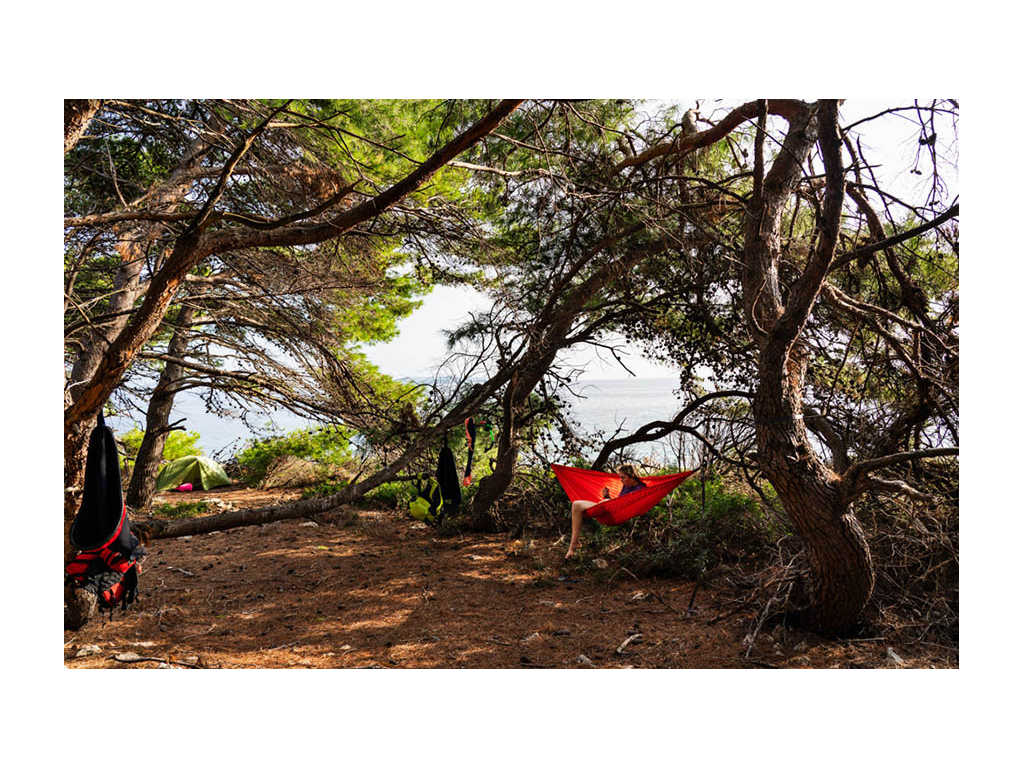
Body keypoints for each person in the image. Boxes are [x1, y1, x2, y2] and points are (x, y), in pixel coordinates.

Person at [566, 464, 645, 559]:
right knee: (576, 505)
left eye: (623, 477)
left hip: (618, 516)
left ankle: (604, 503)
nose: (621, 480)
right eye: (620, 477)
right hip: (611, 511)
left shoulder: (641, 488)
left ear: (632, 476)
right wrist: (607, 496)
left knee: (602, 502)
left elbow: (628, 506)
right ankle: (575, 542)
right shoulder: (626, 486)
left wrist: (608, 501)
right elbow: (618, 503)